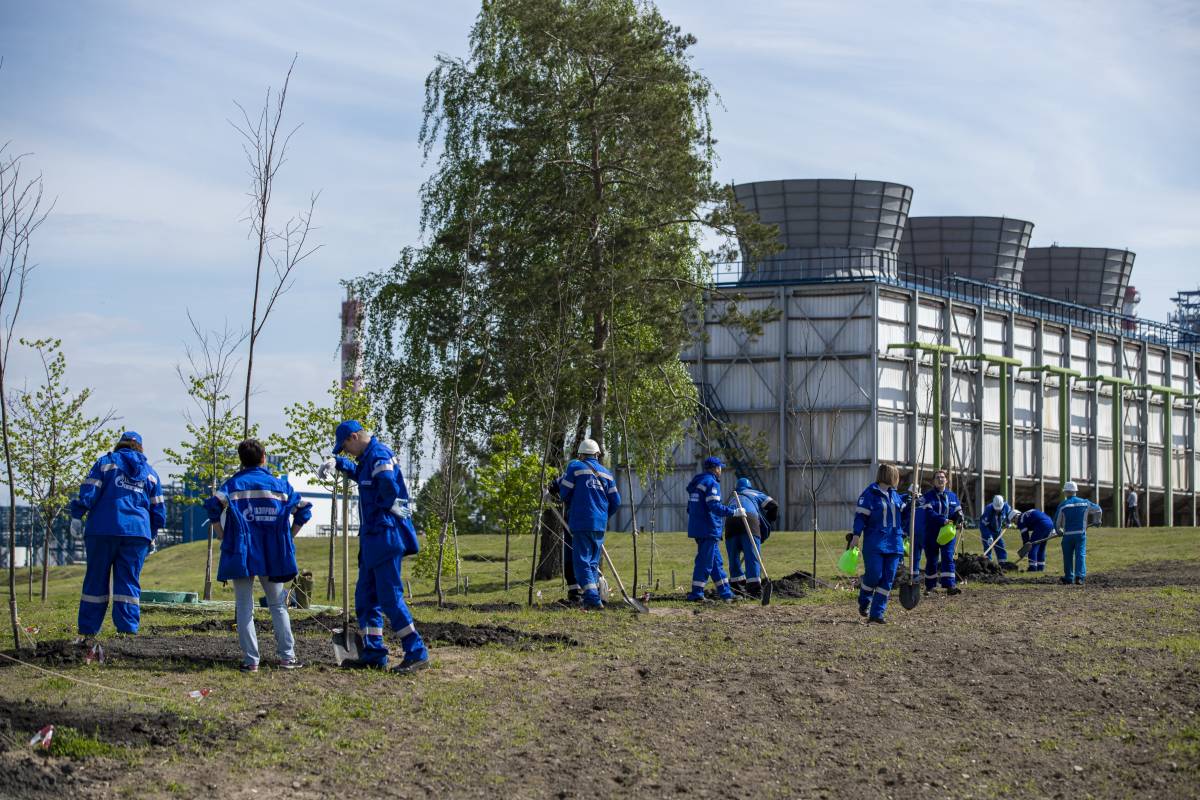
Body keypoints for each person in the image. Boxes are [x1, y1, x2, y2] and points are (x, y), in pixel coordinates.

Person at [318, 420, 429, 672]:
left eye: (345, 449)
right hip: (371, 537)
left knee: (390, 597)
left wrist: (384, 507)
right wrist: (339, 464)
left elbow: (388, 489)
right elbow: (360, 474)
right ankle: (374, 652)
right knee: (366, 597)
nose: (347, 453)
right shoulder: (368, 459)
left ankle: (416, 651)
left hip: (385, 535)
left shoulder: (380, 455)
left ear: (354, 437)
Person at [204, 438, 311, 672]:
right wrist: (289, 536)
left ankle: (251, 661)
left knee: (244, 605)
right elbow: (304, 510)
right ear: (264, 457)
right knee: (278, 604)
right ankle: (287, 657)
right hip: (274, 553)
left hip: (242, 552)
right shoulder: (280, 486)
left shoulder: (232, 485)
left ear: (242, 460)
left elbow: (213, 506)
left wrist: (222, 535)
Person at [70, 432, 165, 640]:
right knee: (129, 583)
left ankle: (88, 631)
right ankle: (127, 631)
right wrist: (153, 533)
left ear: (120, 445)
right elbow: (158, 508)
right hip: (137, 534)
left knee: (96, 580)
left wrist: (77, 515)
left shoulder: (106, 463)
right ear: (140, 447)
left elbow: (89, 491)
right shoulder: (150, 473)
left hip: (102, 530)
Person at [555, 438, 621, 610]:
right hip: (599, 524)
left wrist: (574, 503)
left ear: (581, 455)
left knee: (582, 562)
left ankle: (592, 598)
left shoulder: (575, 468)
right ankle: (593, 598)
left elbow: (564, 493)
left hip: (581, 521)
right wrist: (603, 515)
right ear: (597, 454)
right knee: (592, 562)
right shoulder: (606, 473)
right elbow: (616, 501)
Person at [849, 463, 906, 624]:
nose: (897, 479)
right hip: (875, 542)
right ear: (889, 476)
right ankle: (864, 600)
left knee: (887, 579)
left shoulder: (895, 495)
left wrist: (914, 500)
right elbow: (861, 517)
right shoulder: (870, 494)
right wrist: (856, 535)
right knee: (874, 575)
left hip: (895, 542)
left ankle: (876, 614)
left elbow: (905, 513)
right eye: (896, 476)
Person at [685, 456, 743, 602]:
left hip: (700, 528)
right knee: (705, 562)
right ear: (716, 469)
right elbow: (714, 507)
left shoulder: (698, 483)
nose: (721, 470)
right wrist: (734, 512)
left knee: (716, 563)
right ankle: (696, 594)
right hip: (708, 528)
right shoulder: (711, 483)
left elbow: (689, 508)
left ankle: (726, 593)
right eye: (720, 468)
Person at [724, 477, 777, 599]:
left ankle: (738, 587)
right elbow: (773, 505)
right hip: (750, 519)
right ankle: (754, 589)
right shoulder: (755, 493)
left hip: (730, 521)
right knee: (752, 555)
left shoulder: (732, 497)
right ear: (749, 486)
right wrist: (769, 521)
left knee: (733, 556)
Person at [915, 470, 965, 595]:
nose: (940, 479)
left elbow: (958, 511)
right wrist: (943, 520)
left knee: (948, 557)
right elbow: (929, 513)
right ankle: (930, 587)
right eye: (937, 477)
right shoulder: (927, 497)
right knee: (932, 559)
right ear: (933, 481)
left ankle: (950, 586)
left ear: (946, 480)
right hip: (931, 533)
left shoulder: (952, 496)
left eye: (943, 477)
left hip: (948, 533)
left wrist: (960, 519)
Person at [1055, 481, 1102, 585]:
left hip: (1067, 535)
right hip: (1080, 534)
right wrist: (1098, 521)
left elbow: (1057, 521)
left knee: (1067, 556)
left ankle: (1068, 577)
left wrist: (1058, 530)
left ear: (1066, 492)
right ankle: (1079, 577)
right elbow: (1098, 510)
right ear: (1075, 491)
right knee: (1080, 555)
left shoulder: (1063, 505)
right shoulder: (1085, 502)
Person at [1013, 507, 1055, 573]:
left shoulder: (1021, 520)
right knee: (1041, 547)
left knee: (1032, 546)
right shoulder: (1025, 514)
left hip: (1041, 525)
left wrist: (1025, 548)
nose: (1015, 524)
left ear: (1015, 517)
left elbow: (1025, 537)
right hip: (1050, 523)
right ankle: (1040, 568)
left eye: (1013, 521)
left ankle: (1033, 568)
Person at [978, 495, 1012, 564]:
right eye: (996, 509)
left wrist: (1008, 522)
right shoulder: (988, 509)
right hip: (988, 530)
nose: (998, 510)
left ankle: (1002, 564)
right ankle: (988, 564)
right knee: (988, 548)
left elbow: (1009, 515)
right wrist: (988, 536)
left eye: (999, 509)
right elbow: (983, 526)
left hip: (998, 531)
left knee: (1001, 547)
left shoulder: (1006, 507)